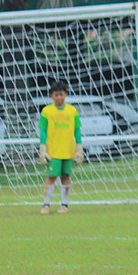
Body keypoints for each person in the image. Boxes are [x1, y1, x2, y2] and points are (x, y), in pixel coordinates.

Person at [38, 80, 84, 214]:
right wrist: (43, 149)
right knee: (51, 177)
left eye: (61, 94)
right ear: (51, 96)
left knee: (66, 176)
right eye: (56, 95)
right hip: (53, 151)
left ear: (66, 94)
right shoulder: (47, 111)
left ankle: (64, 205)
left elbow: (77, 130)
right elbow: (43, 131)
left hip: (68, 151)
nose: (59, 97)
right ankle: (46, 205)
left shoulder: (72, 110)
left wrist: (79, 148)